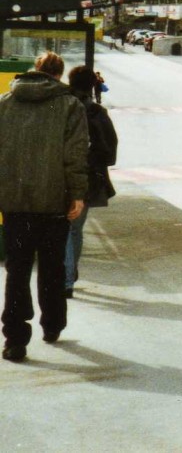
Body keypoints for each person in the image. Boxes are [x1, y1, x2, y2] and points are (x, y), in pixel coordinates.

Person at [0, 51, 88, 362]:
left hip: (15, 205)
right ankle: (52, 325)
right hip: (54, 204)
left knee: (17, 270)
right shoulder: (70, 106)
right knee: (52, 270)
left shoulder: (4, 104)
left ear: (33, 71)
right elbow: (75, 155)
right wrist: (78, 195)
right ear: (59, 74)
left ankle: (14, 339)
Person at [64, 66, 118, 298]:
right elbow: (110, 152)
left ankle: (66, 279)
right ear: (91, 85)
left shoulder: (60, 106)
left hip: (59, 176)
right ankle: (69, 276)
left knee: (64, 229)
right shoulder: (97, 112)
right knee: (74, 230)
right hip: (87, 180)